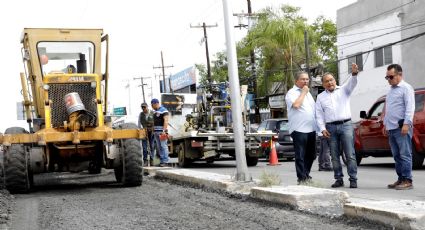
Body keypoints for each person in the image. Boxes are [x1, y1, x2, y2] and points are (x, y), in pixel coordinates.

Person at [315, 63, 359, 188]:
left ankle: (353, 179)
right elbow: (318, 115)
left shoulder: (344, 90)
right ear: (323, 84)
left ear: (335, 81)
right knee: (334, 156)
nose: (330, 83)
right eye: (327, 81)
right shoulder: (320, 97)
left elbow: (353, 83)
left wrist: (354, 74)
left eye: (331, 80)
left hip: (346, 125)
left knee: (349, 154)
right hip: (330, 128)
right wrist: (322, 129)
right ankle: (338, 178)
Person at [383, 64, 415, 190]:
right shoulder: (391, 90)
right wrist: (385, 124)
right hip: (391, 128)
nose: (389, 80)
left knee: (405, 154)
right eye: (387, 77)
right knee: (396, 155)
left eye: (391, 77)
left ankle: (408, 180)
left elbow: (410, 107)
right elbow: (388, 109)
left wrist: (407, 124)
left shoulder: (406, 88)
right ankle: (401, 178)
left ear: (399, 75)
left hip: (402, 127)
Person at [285, 71, 317, 184]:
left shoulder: (308, 93)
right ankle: (301, 178)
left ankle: (306, 175)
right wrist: (303, 92)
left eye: (307, 79)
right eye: (303, 79)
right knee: (300, 155)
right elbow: (296, 105)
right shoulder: (292, 92)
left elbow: (313, 110)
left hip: (311, 129)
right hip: (299, 129)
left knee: (312, 154)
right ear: (296, 81)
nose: (305, 81)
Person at [151, 98, 170, 167]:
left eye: (152, 105)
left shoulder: (164, 110)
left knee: (163, 146)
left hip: (162, 132)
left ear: (156, 104)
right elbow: (154, 121)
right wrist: (153, 129)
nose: (152, 107)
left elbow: (166, 121)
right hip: (156, 132)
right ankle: (162, 161)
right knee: (159, 147)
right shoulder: (155, 111)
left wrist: (164, 131)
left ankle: (165, 161)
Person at [138, 102, 154, 166]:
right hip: (144, 131)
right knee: (144, 147)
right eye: (142, 107)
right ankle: (145, 161)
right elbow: (139, 123)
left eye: (144, 107)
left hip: (152, 131)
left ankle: (152, 160)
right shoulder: (141, 114)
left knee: (152, 146)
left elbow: (156, 121)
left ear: (147, 107)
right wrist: (140, 130)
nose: (143, 108)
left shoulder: (153, 113)